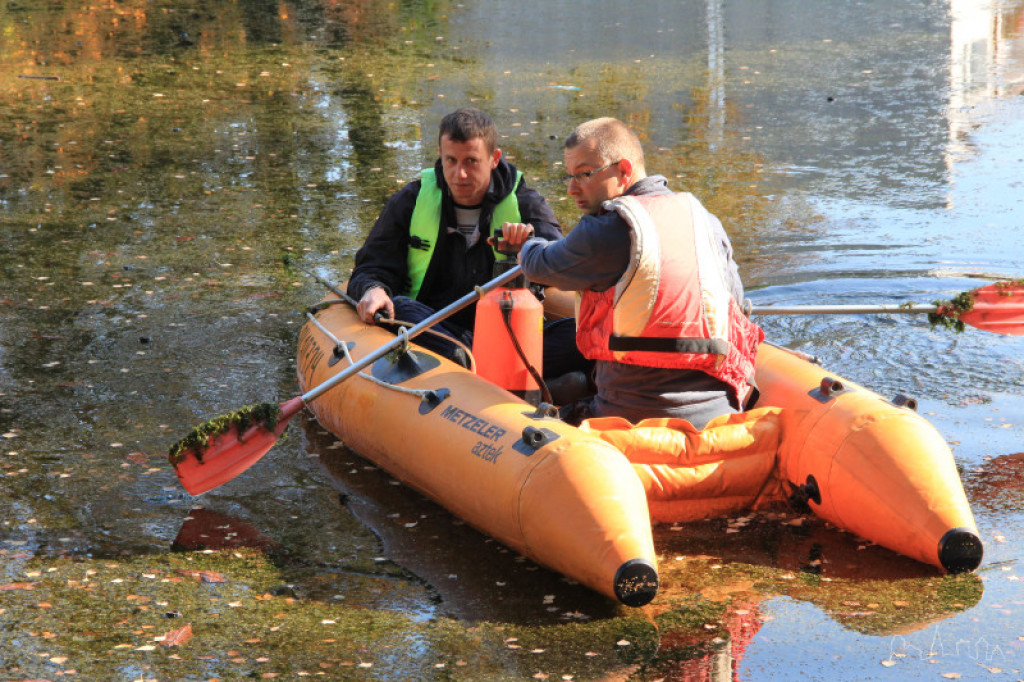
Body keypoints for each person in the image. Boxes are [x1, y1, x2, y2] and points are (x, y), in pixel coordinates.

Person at [514, 117, 764, 428]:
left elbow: (539, 265)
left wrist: (526, 243)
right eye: (569, 176)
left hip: (630, 416)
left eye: (584, 174)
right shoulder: (706, 221)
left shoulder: (609, 228)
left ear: (624, 170)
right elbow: (735, 303)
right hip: (720, 417)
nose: (572, 188)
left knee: (531, 422)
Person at [347, 107, 589, 380]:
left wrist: (528, 248)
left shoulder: (525, 202)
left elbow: (560, 263)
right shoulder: (410, 200)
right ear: (440, 155)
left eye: (471, 161)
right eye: (451, 160)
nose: (459, 174)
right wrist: (373, 289)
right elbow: (371, 266)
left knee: (585, 332)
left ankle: (477, 365)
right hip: (434, 329)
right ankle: (493, 369)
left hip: (509, 335)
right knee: (400, 308)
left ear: (494, 159)